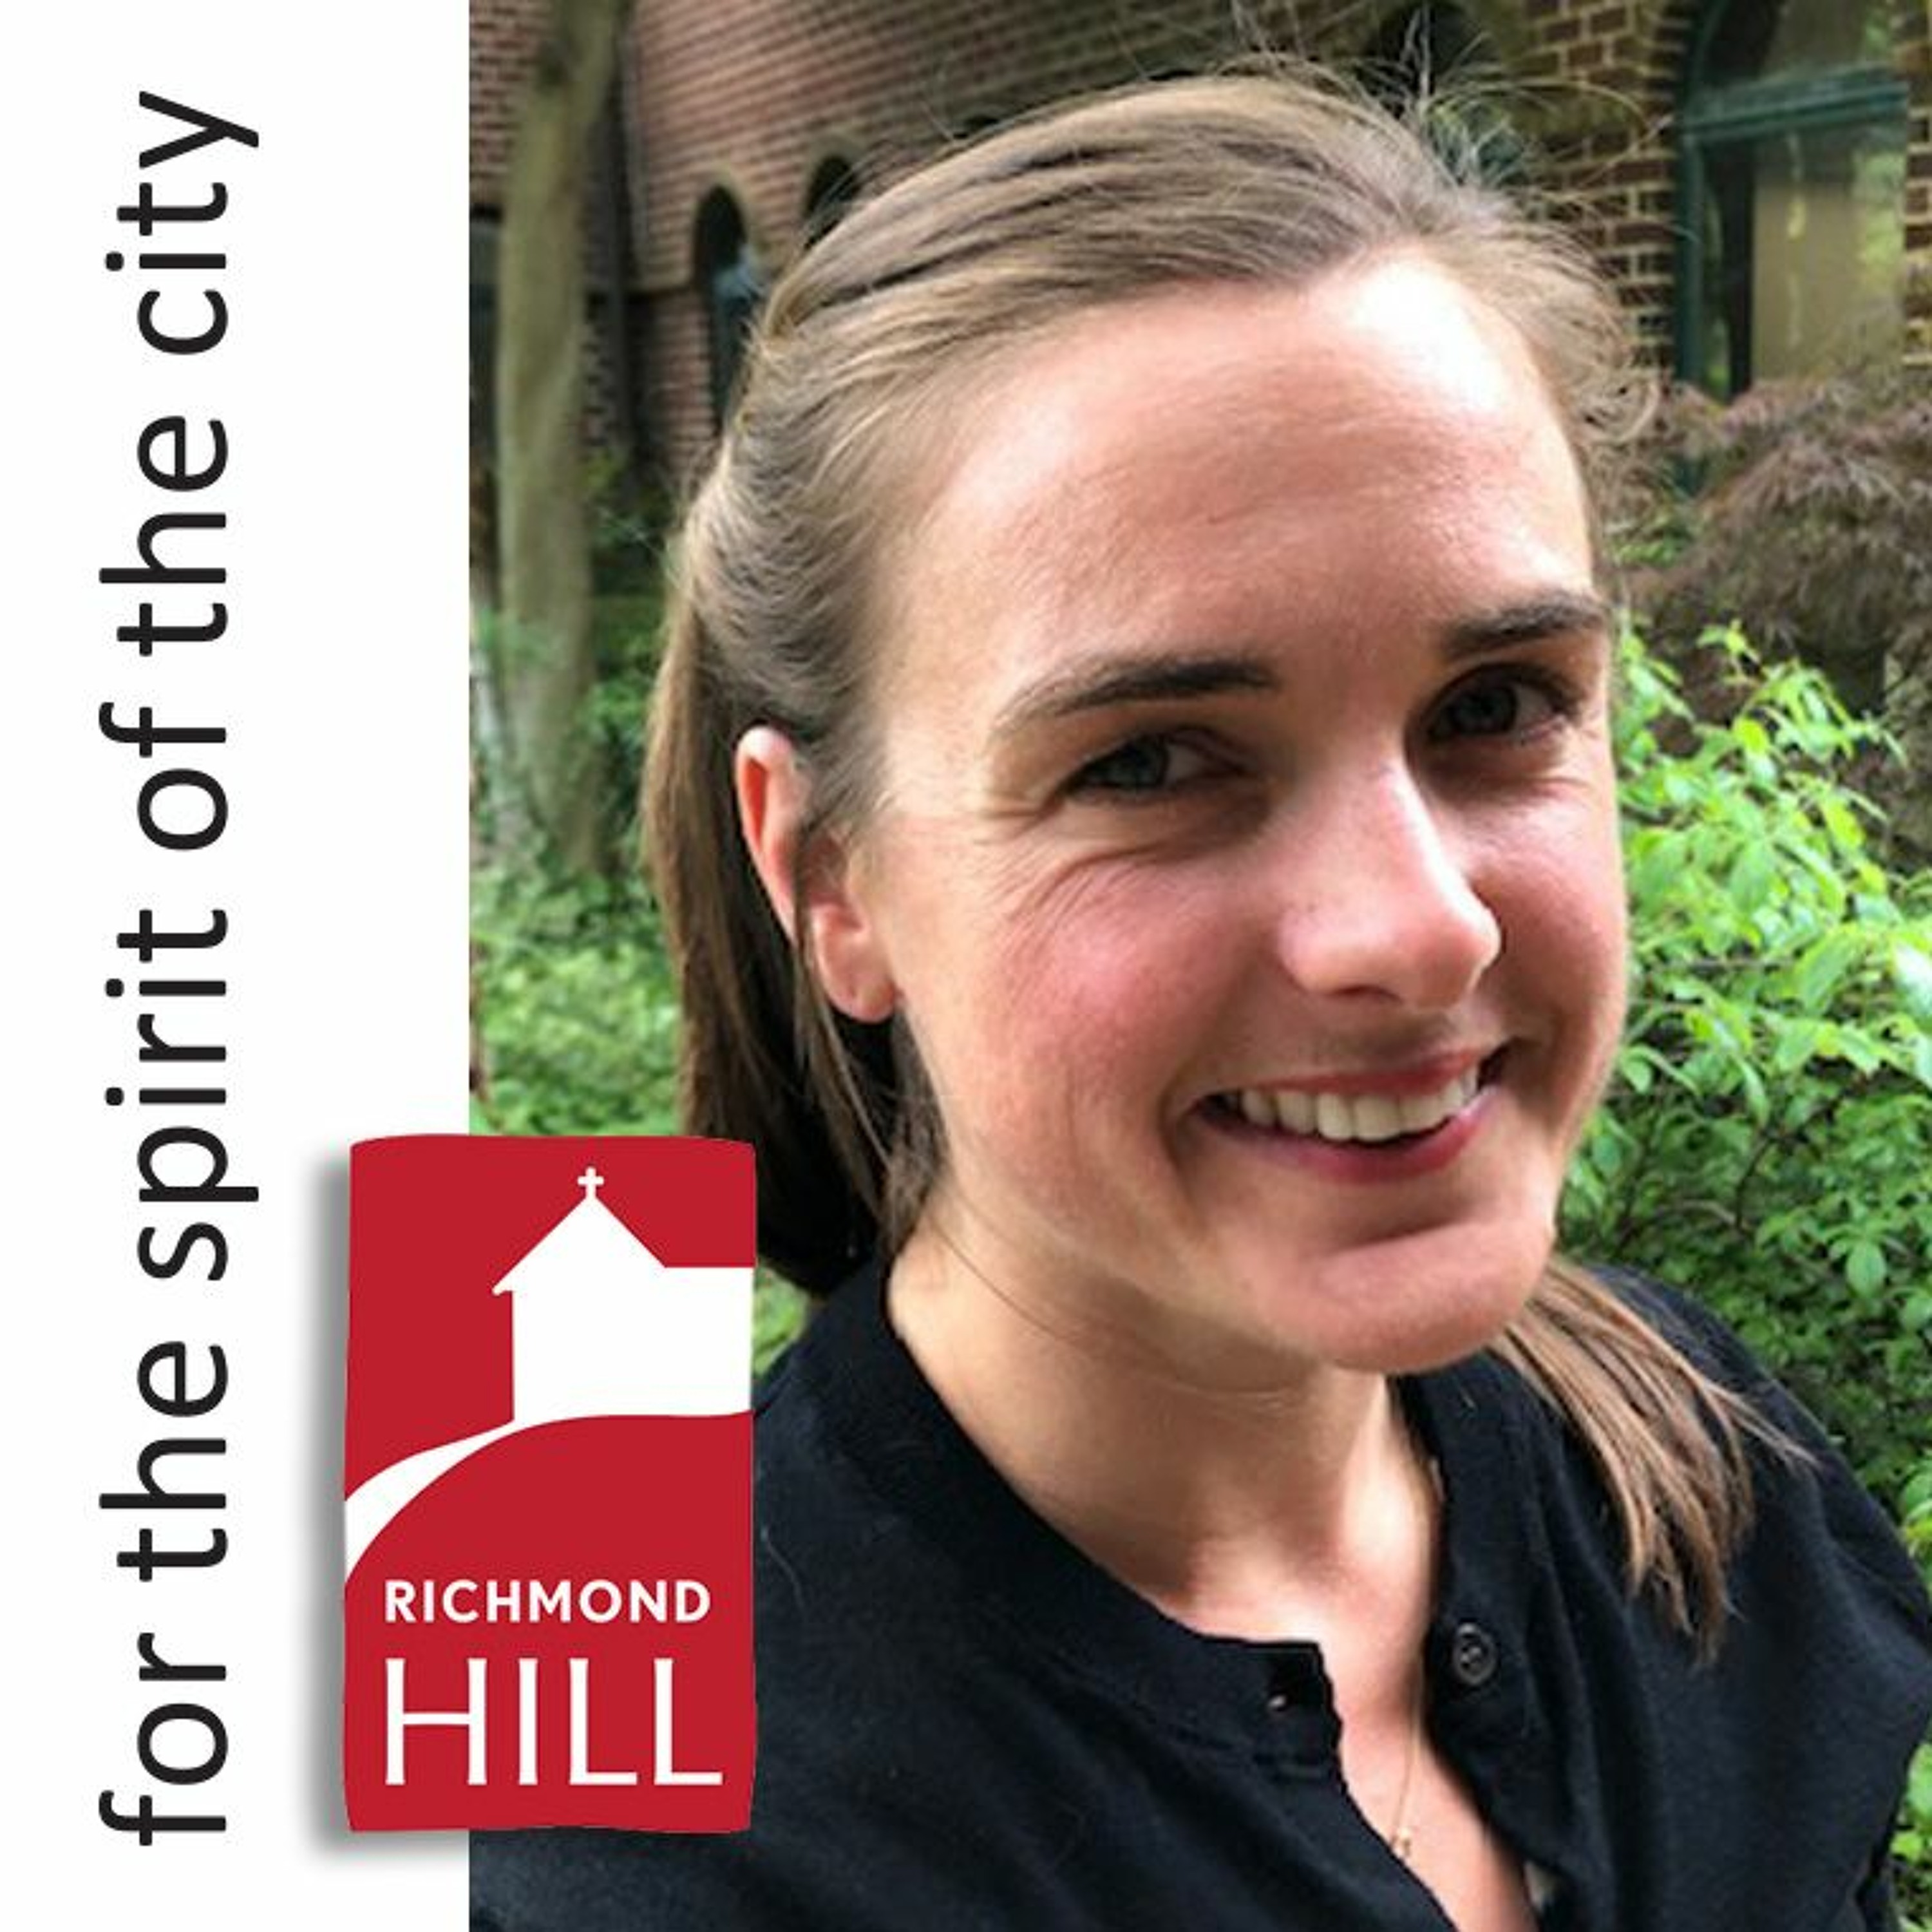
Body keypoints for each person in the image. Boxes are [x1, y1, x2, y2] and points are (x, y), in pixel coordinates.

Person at [472, 70, 1932, 1931]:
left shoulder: (1702, 1472)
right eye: (1153, 760)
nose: (1421, 930)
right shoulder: (616, 1838)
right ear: (832, 877)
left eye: (1494, 708)